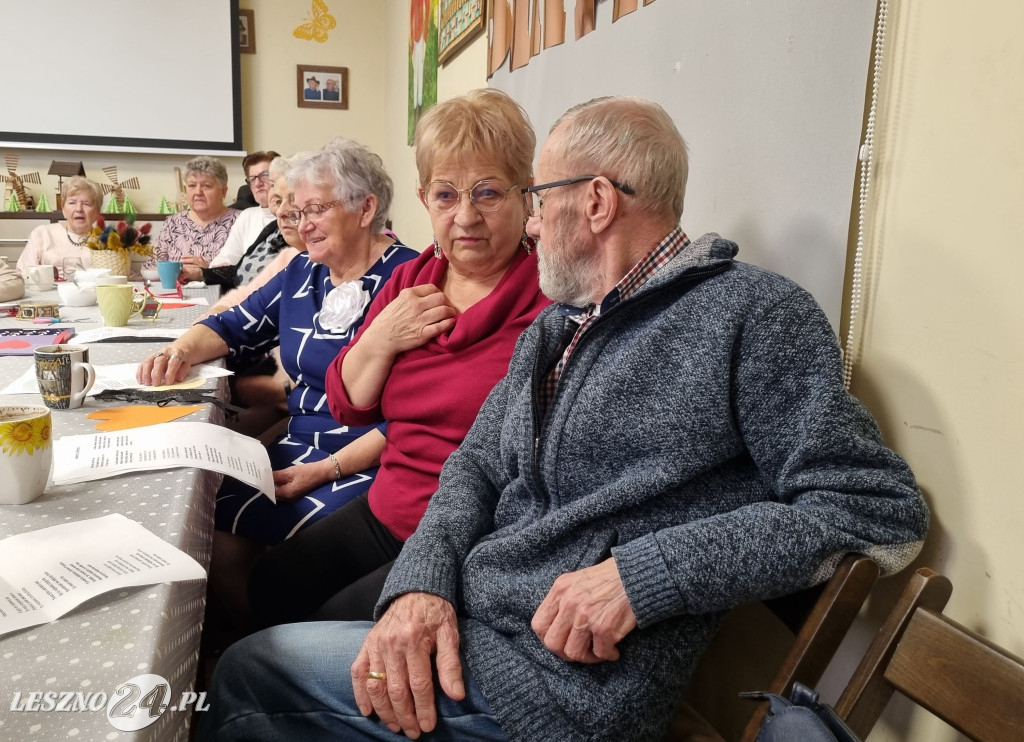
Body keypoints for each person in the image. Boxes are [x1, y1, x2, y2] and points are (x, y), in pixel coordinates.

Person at [197, 96, 930, 742]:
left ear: (599, 202)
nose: (532, 224)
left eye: (537, 198)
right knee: (271, 634)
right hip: (477, 615)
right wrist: (422, 584)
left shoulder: (753, 315)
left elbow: (876, 509)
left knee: (245, 674)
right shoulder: (562, 328)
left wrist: (642, 577)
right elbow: (475, 466)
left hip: (558, 691)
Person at [243, 88, 550, 629]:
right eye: (446, 196)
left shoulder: (548, 302)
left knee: (321, 628)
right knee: (270, 586)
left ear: (527, 196)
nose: (466, 217)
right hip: (387, 506)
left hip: (470, 539)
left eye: (488, 193)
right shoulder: (412, 278)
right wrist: (382, 336)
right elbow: (348, 402)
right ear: (423, 198)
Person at [137, 138, 417, 623]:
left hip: (366, 460)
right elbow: (230, 325)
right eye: (297, 209)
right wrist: (180, 350)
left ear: (367, 207)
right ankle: (254, 642)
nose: (302, 223)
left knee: (282, 551)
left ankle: (278, 650)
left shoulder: (412, 279)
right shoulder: (305, 272)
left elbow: (419, 414)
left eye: (316, 209)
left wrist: (328, 468)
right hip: (297, 444)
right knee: (208, 523)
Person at [195, 150, 281, 285]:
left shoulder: (293, 217)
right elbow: (227, 255)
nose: (257, 184)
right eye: (252, 179)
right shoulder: (247, 215)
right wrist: (218, 268)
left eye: (264, 176)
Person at [147, 156, 239, 276]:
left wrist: (208, 271)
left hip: (222, 294)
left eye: (206, 186)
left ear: (223, 192)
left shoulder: (240, 221)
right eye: (192, 185)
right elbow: (151, 268)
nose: (198, 192)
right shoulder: (174, 222)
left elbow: (249, 272)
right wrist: (174, 271)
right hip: (174, 293)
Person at [16, 176, 102, 279]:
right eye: (72, 202)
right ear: (63, 209)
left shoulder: (106, 241)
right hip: (48, 293)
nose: (79, 209)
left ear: (97, 211)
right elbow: (24, 274)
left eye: (86, 203)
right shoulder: (42, 233)